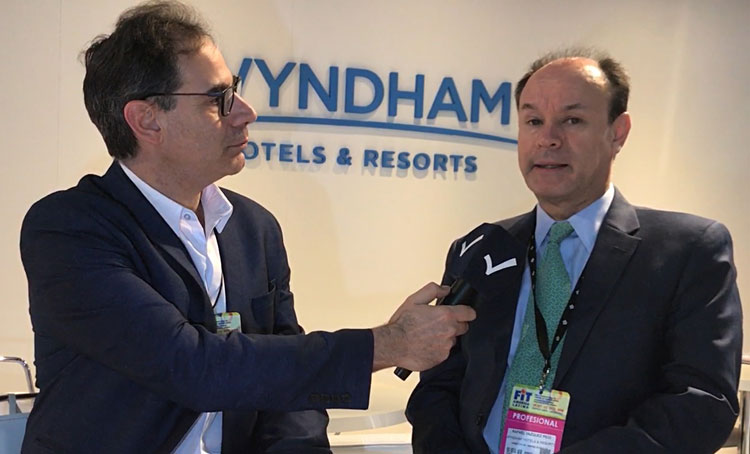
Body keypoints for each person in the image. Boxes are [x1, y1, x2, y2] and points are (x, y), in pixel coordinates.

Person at [18, 2, 475, 453]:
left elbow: (288, 397)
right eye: (218, 99)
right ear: (147, 120)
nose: (246, 112)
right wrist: (388, 344)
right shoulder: (69, 230)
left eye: (234, 90)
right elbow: (193, 366)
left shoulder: (253, 229)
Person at [406, 48, 742, 453]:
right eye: (533, 121)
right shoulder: (483, 249)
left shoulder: (688, 251)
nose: (548, 138)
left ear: (617, 133)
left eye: (572, 120)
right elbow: (438, 386)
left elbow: (701, 402)